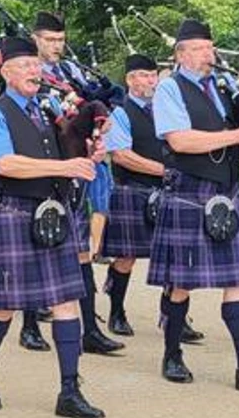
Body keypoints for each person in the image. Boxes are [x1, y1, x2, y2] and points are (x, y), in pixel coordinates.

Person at [0, 36, 105, 416]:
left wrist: (89, 152)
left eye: (36, 65)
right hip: (15, 213)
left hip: (53, 215)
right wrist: (64, 167)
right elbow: (5, 164)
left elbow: (67, 155)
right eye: (25, 66)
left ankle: (69, 392)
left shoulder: (48, 110)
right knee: (4, 307)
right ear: (7, 73)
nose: (34, 71)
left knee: (65, 303)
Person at [150, 19, 239, 391]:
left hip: (227, 190)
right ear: (181, 54)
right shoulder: (169, 89)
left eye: (211, 47)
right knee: (181, 283)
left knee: (237, 280)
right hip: (189, 192)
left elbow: (236, 142)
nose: (210, 55)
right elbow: (179, 141)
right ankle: (172, 354)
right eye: (201, 49)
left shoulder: (222, 86)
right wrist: (237, 133)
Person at [32, 11, 123, 356]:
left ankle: (90, 329)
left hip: (76, 167)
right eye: (50, 40)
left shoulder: (69, 73)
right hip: (43, 163)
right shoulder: (26, 72)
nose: (56, 46)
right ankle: (28, 324)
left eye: (60, 40)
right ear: (36, 39)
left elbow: (87, 110)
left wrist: (98, 136)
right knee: (39, 243)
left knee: (81, 248)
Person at [101, 54, 162, 337]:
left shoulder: (167, 110)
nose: (149, 81)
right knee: (126, 257)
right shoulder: (120, 112)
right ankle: (116, 311)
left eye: (153, 75)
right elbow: (122, 156)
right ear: (129, 80)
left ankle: (173, 317)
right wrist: (166, 170)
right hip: (131, 191)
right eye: (142, 75)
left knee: (174, 256)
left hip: (166, 192)